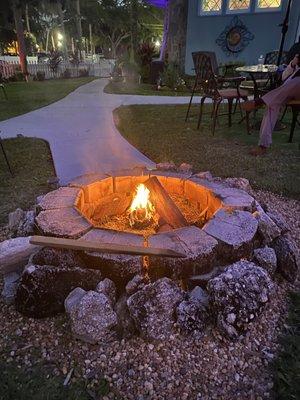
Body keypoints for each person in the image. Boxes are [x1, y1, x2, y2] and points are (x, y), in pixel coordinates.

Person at [242, 53, 300, 156]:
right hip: (288, 91)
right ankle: (263, 146)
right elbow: (283, 77)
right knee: (272, 103)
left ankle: (259, 101)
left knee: (296, 81)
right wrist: (292, 64)